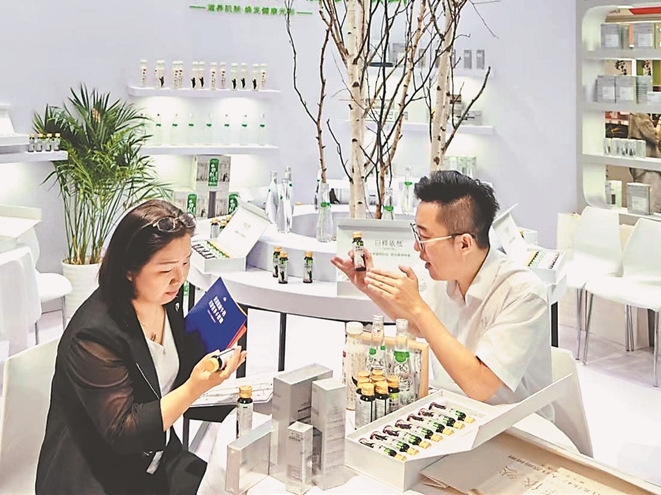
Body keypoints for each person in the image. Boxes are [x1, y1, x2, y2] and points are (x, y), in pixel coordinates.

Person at [36, 199, 246, 495]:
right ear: (129, 269)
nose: (179, 278)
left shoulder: (166, 301)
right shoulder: (93, 334)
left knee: (237, 485)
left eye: (185, 263)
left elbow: (171, 372)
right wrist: (194, 388)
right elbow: (124, 432)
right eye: (165, 269)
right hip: (97, 475)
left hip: (156, 460)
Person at [332, 171, 553, 419]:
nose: (417, 247)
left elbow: (481, 385)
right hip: (456, 413)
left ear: (464, 244)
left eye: (424, 238)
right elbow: (417, 325)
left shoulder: (523, 292)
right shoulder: (445, 277)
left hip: (517, 426)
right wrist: (367, 285)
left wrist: (418, 306)